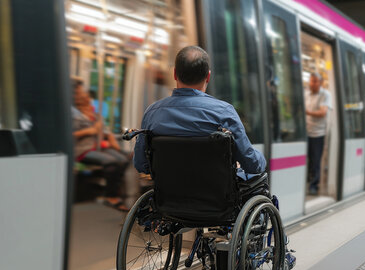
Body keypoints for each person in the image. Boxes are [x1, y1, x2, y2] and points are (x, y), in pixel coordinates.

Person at [133, 46, 265, 178]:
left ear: (174, 74)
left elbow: (141, 164)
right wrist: (259, 157)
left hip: (169, 195)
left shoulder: (152, 113)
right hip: (217, 195)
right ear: (208, 76)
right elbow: (252, 165)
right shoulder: (224, 112)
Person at [71, 79, 129, 211]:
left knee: (124, 159)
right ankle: (110, 195)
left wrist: (112, 142)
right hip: (82, 150)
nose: (86, 100)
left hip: (98, 147)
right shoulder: (75, 116)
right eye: (83, 98)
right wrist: (90, 131)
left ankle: (114, 188)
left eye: (87, 98)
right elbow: (70, 135)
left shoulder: (96, 116)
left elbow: (105, 132)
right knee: (111, 161)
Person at [304, 72, 332, 196]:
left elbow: (323, 112)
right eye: (311, 81)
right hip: (306, 132)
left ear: (320, 83)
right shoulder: (306, 94)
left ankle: (314, 185)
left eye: (315, 81)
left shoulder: (325, 94)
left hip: (318, 133)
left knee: (316, 161)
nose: (312, 83)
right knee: (308, 160)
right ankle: (308, 181)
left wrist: (307, 112)